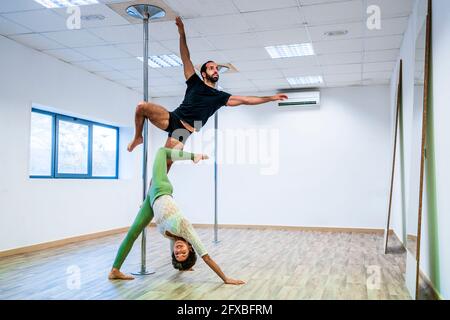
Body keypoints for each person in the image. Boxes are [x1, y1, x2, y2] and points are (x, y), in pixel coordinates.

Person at [127, 16, 288, 157]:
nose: (215, 70)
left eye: (217, 68)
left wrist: (271, 98)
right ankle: (137, 137)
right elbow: (185, 58)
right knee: (141, 107)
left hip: (184, 131)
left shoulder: (220, 97)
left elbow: (246, 100)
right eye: (212, 68)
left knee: (165, 162)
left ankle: (153, 191)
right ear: (203, 73)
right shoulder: (194, 82)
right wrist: (182, 33)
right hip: (173, 118)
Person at [109, 147, 245, 285]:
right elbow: (207, 258)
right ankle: (194, 156)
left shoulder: (173, 238)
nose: (178, 250)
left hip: (151, 201)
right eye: (183, 253)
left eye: (177, 254)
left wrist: (184, 266)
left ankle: (114, 270)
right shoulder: (186, 230)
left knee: (132, 234)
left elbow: (178, 251)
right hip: (161, 188)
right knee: (162, 151)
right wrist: (226, 279)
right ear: (191, 249)